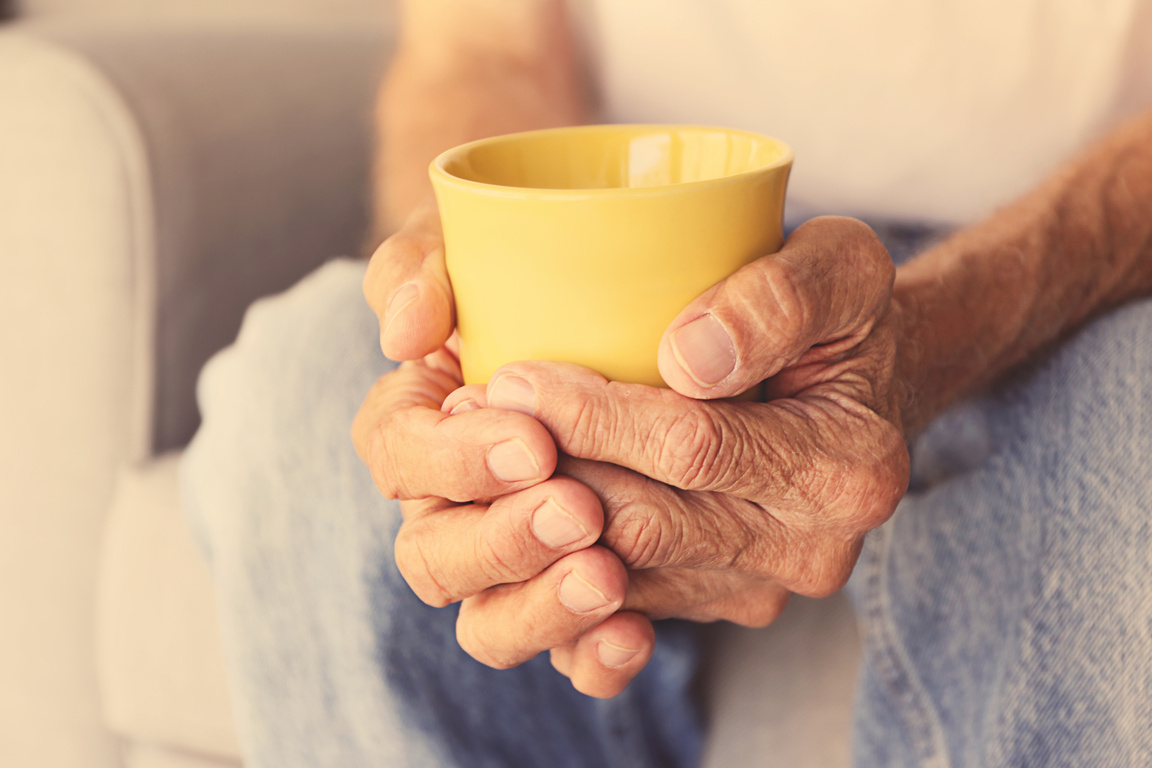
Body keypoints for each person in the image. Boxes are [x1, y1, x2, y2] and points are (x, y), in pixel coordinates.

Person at [181, 0, 1152, 765]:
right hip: (624, 254)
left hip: (1075, 257)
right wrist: (467, 283)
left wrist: (941, 324)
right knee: (296, 398)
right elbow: (479, 53)